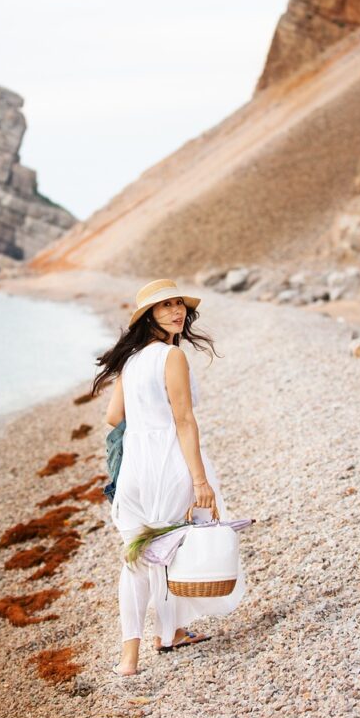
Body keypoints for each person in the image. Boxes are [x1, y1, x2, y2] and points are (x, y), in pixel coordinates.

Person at [91, 278, 246, 676]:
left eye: (179, 305)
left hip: (135, 470)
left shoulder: (130, 361)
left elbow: (112, 417)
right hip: (169, 464)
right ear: (149, 316)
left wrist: (143, 420)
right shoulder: (171, 357)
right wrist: (200, 480)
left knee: (137, 559)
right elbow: (184, 420)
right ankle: (169, 631)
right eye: (166, 307)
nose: (177, 311)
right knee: (172, 550)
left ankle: (133, 656)